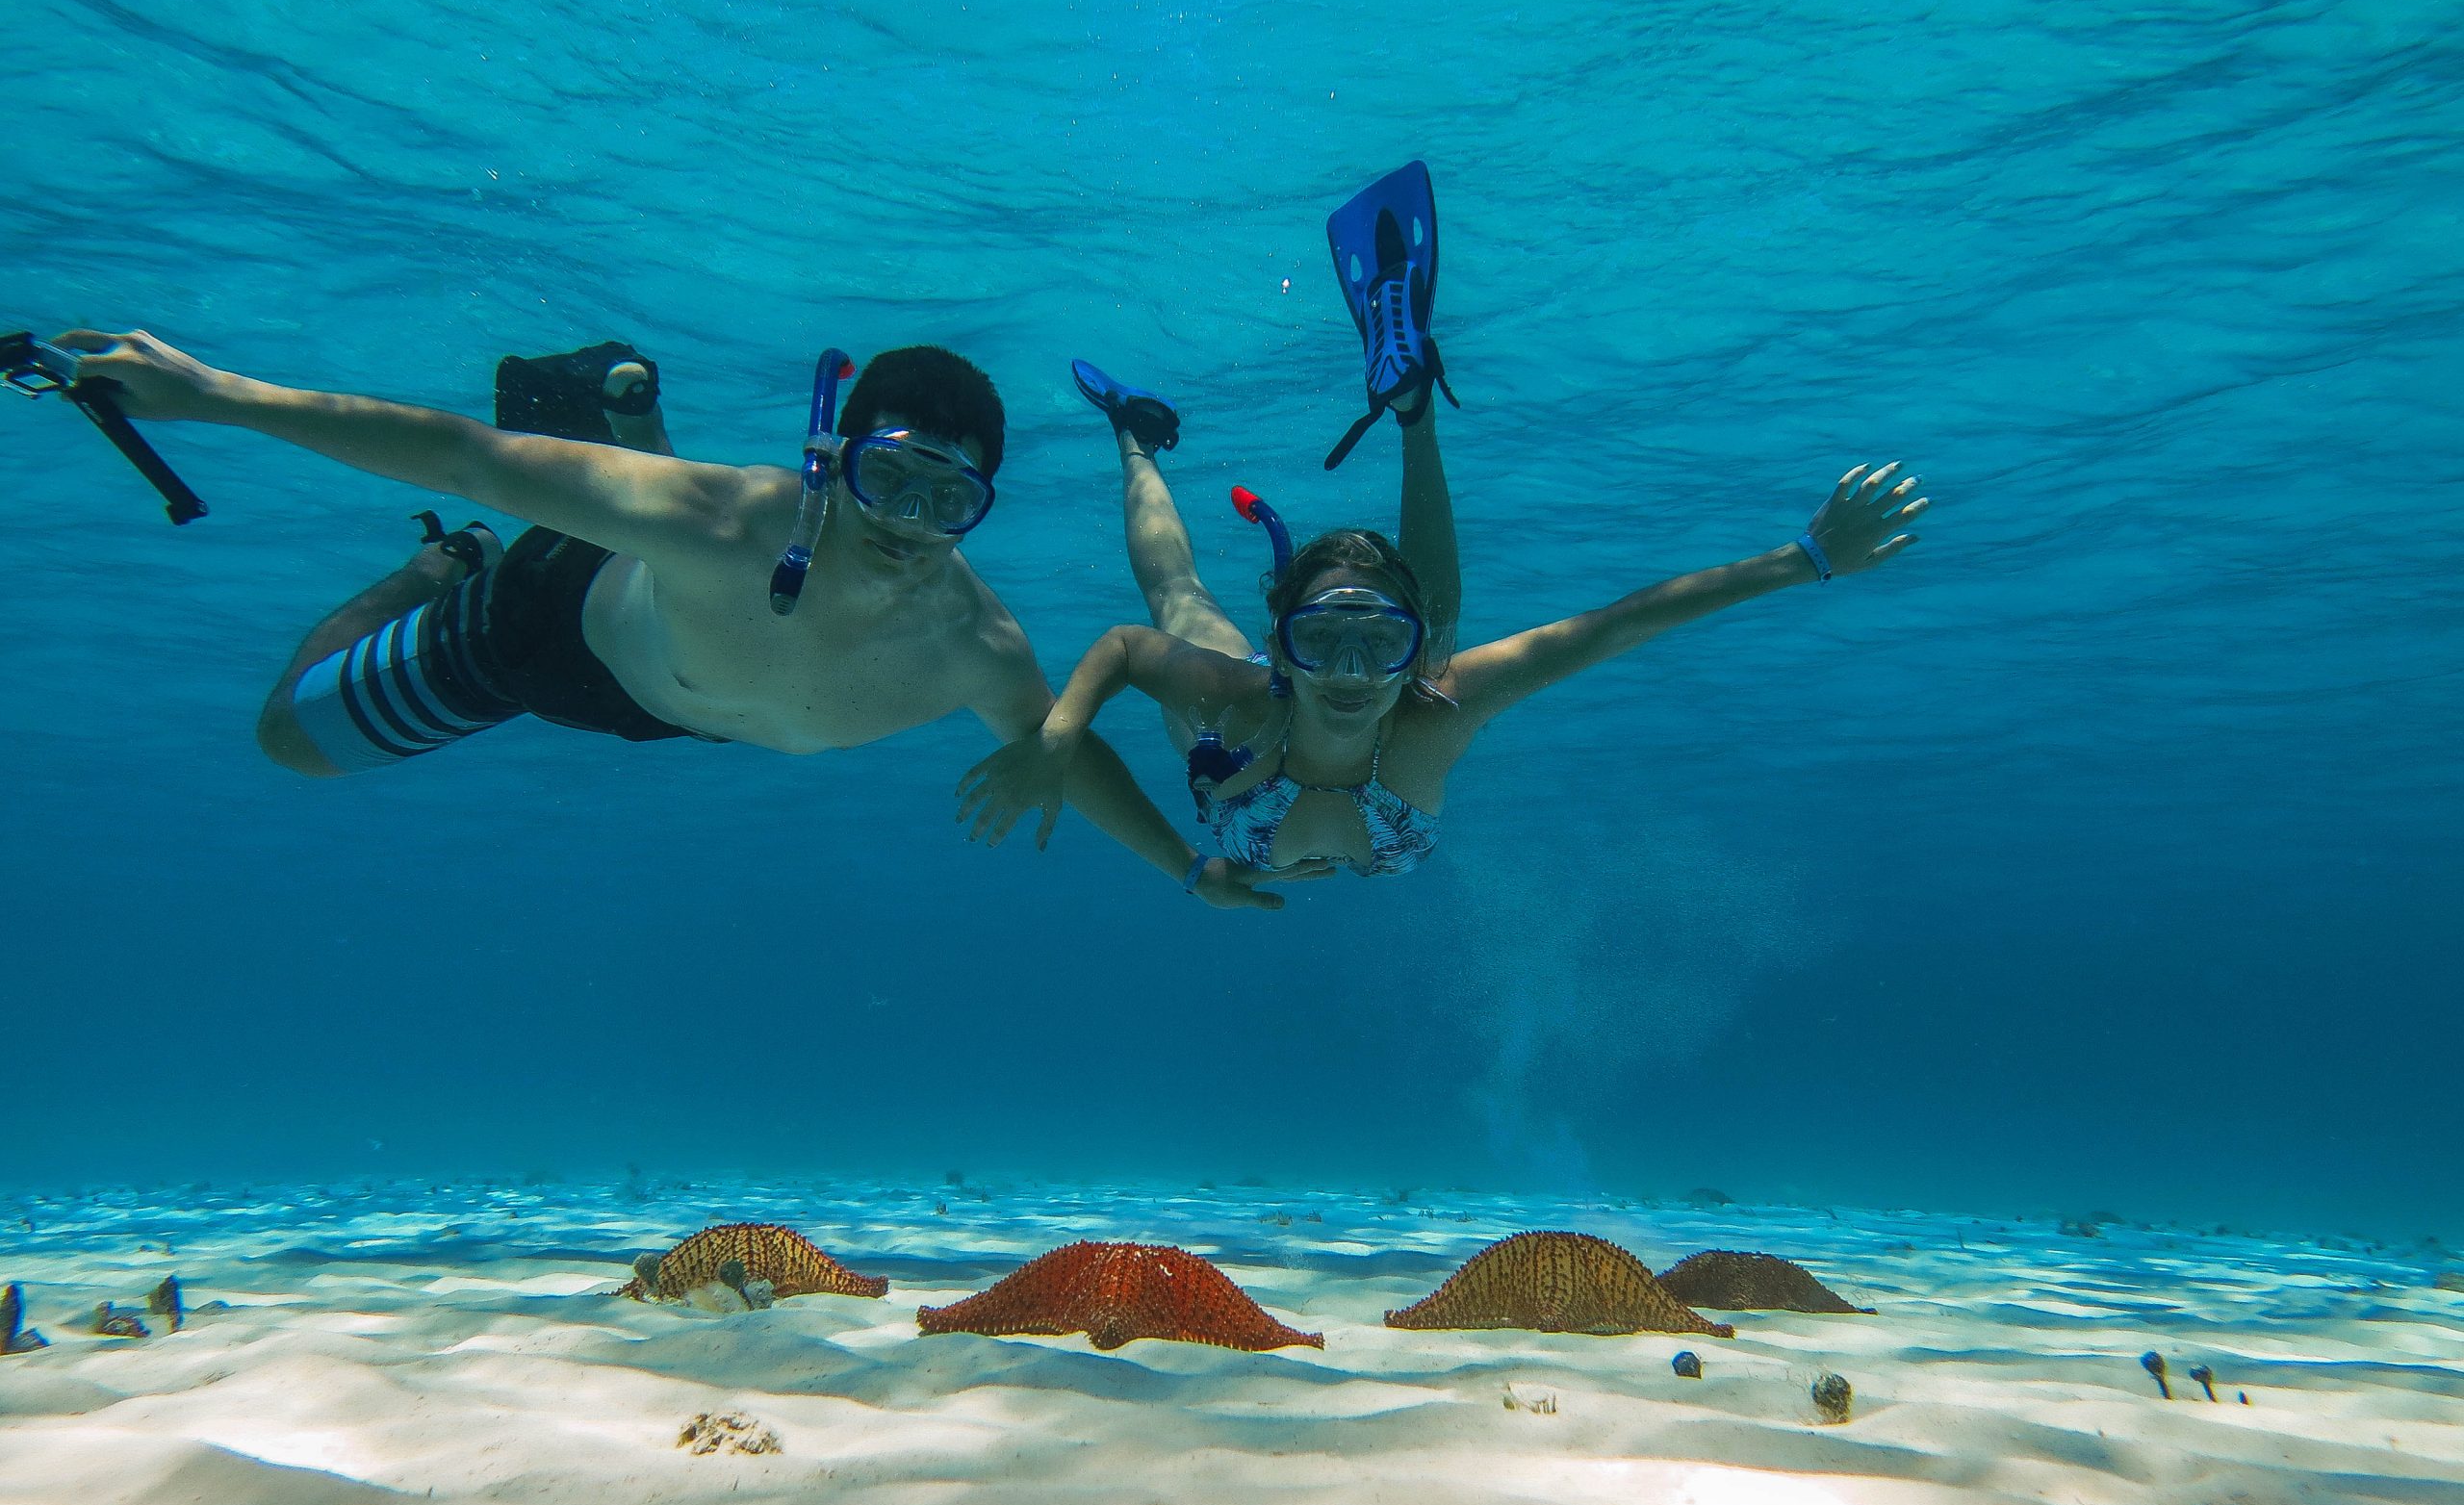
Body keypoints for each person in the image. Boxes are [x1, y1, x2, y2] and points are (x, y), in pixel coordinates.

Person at [45, 327, 1298, 908]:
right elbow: (466, 456)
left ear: (981, 509)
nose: (910, 523)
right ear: (833, 461)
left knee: (656, 571)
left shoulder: (980, 645)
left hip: (686, 703)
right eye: (889, 478)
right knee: (286, 739)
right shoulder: (730, 520)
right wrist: (214, 395)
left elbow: (1061, 758)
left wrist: (1187, 866)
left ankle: (627, 425)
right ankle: (453, 569)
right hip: (546, 636)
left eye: (948, 498)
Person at [954, 165, 1928, 881]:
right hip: (1260, 742)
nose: (1344, 670)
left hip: (1291, 776)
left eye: (1369, 643)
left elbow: (1620, 624)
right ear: (1281, 645)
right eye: (1322, 638)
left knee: (1430, 662)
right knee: (1187, 599)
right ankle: (1144, 440)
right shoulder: (1256, 697)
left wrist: (1811, 556)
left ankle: (1405, 416)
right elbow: (1126, 646)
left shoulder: (1413, 701)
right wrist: (1056, 737)